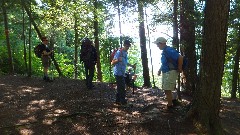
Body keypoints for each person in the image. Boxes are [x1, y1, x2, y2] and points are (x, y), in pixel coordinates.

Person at [153, 37, 183, 109]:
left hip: (170, 72)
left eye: (157, 44)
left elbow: (180, 57)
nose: (157, 46)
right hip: (167, 71)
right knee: (167, 88)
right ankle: (173, 101)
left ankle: (170, 106)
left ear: (161, 43)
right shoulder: (165, 51)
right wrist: (160, 70)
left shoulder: (169, 50)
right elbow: (165, 62)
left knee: (167, 88)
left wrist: (179, 67)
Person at [111, 40, 136, 105]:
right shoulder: (119, 52)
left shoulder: (125, 53)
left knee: (120, 86)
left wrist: (132, 65)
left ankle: (118, 100)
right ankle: (123, 101)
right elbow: (112, 62)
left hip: (122, 73)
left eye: (128, 46)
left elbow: (125, 62)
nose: (128, 47)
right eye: (127, 46)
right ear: (124, 45)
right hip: (118, 72)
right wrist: (118, 60)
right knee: (122, 87)